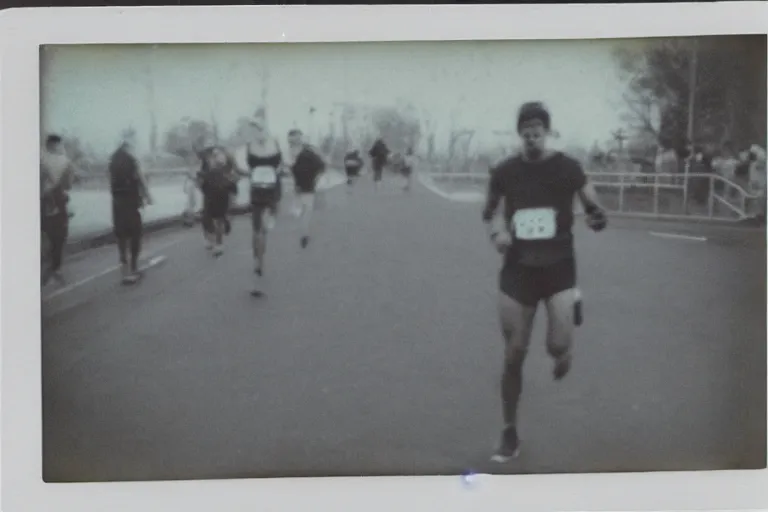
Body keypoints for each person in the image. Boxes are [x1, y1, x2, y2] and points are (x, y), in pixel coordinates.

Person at [481, 102, 607, 463]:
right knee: (514, 354)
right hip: (518, 269)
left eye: (538, 129)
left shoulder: (568, 167)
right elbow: (490, 212)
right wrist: (498, 232)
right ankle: (509, 431)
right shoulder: (505, 171)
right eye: (526, 129)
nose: (532, 135)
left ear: (547, 131)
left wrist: (596, 214)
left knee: (556, 348)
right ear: (519, 132)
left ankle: (566, 334)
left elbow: (590, 199)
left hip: (558, 268)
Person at [233, 118, 284, 296]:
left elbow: (283, 165)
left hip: (273, 190)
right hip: (256, 190)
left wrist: (277, 171)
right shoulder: (247, 147)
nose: (258, 133)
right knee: (256, 231)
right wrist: (251, 173)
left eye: (261, 129)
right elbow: (239, 168)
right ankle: (258, 262)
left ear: (266, 130)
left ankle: (260, 257)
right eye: (254, 130)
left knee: (265, 228)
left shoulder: (277, 143)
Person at [109, 138, 153, 285]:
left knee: (121, 236)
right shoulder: (132, 160)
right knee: (135, 234)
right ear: (128, 147)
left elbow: (109, 181)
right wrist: (147, 195)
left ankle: (124, 271)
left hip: (117, 203)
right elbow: (140, 178)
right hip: (131, 202)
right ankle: (134, 268)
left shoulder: (112, 161)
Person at [40, 134, 77, 287]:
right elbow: (68, 185)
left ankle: (47, 265)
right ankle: (54, 268)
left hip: (42, 203)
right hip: (57, 203)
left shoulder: (39, 159)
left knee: (45, 234)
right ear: (57, 145)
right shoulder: (65, 162)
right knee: (59, 237)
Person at [288, 129, 326, 249]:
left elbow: (321, 166)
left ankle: (304, 234)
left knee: (306, 210)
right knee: (303, 210)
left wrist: (316, 178)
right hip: (299, 184)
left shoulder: (308, 152)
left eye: (297, 136)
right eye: (293, 137)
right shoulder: (289, 152)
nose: (295, 139)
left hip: (307, 184)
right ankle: (304, 232)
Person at [197, 146, 238, 257]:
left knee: (219, 220)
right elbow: (200, 183)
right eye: (214, 155)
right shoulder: (207, 167)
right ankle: (210, 238)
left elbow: (233, 187)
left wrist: (232, 203)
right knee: (206, 220)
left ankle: (218, 244)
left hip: (222, 196)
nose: (215, 157)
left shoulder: (228, 170)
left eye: (218, 155)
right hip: (209, 196)